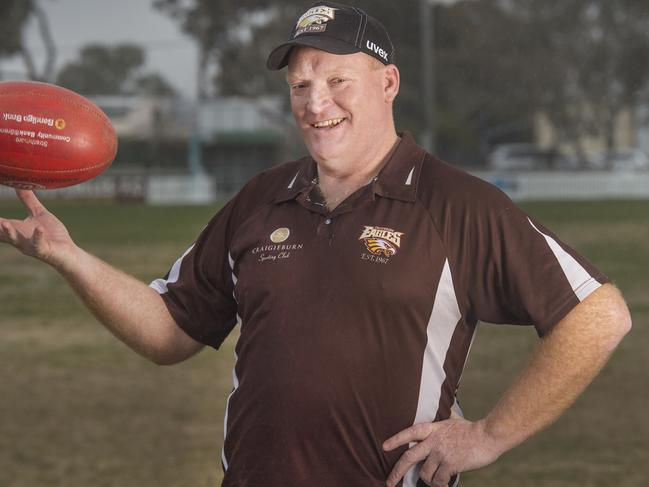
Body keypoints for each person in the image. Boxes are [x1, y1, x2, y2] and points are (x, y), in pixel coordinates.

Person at [0, 2, 631, 486]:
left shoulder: (454, 205)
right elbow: (171, 331)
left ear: (388, 83)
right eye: (300, 86)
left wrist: (489, 434)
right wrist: (67, 255)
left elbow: (598, 314)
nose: (315, 102)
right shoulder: (260, 199)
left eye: (336, 80)